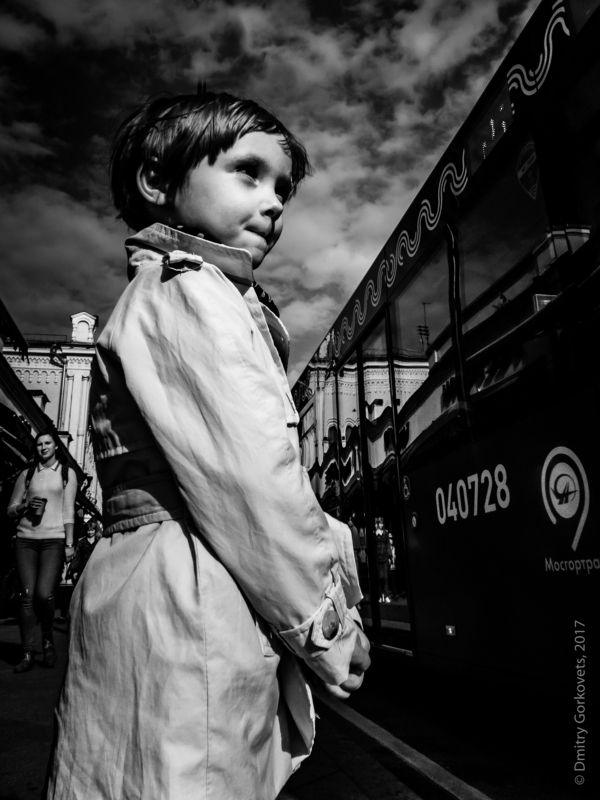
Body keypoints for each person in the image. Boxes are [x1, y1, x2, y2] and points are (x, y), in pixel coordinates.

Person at [46, 90, 370, 800]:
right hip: (194, 587)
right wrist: (328, 626)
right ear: (159, 181)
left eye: (284, 186)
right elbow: (256, 478)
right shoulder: (193, 291)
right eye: (248, 173)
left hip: (147, 581)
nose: (276, 201)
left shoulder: (159, 291)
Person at [7, 430, 77, 672]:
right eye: (39, 444)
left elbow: (68, 512)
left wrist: (69, 544)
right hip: (25, 539)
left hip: (53, 541)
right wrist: (23, 507)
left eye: (47, 443)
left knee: (44, 594)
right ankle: (27, 652)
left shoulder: (67, 474)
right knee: (26, 596)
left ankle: (47, 639)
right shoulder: (27, 475)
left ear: (56, 446)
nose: (43, 447)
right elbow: (11, 508)